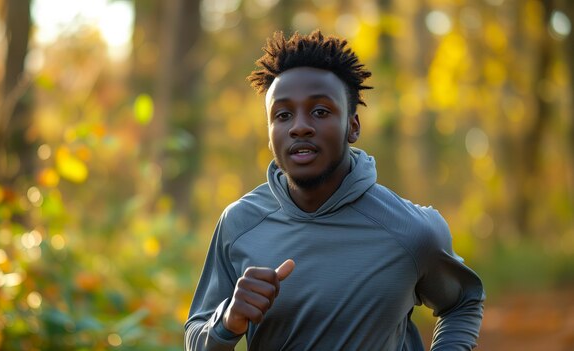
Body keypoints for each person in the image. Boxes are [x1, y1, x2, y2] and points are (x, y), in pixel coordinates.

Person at [184, 30, 485, 351]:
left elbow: (463, 302)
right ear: (270, 134)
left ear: (353, 126)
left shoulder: (411, 230)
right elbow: (195, 335)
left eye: (320, 111)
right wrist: (227, 322)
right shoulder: (239, 223)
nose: (300, 126)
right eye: (283, 115)